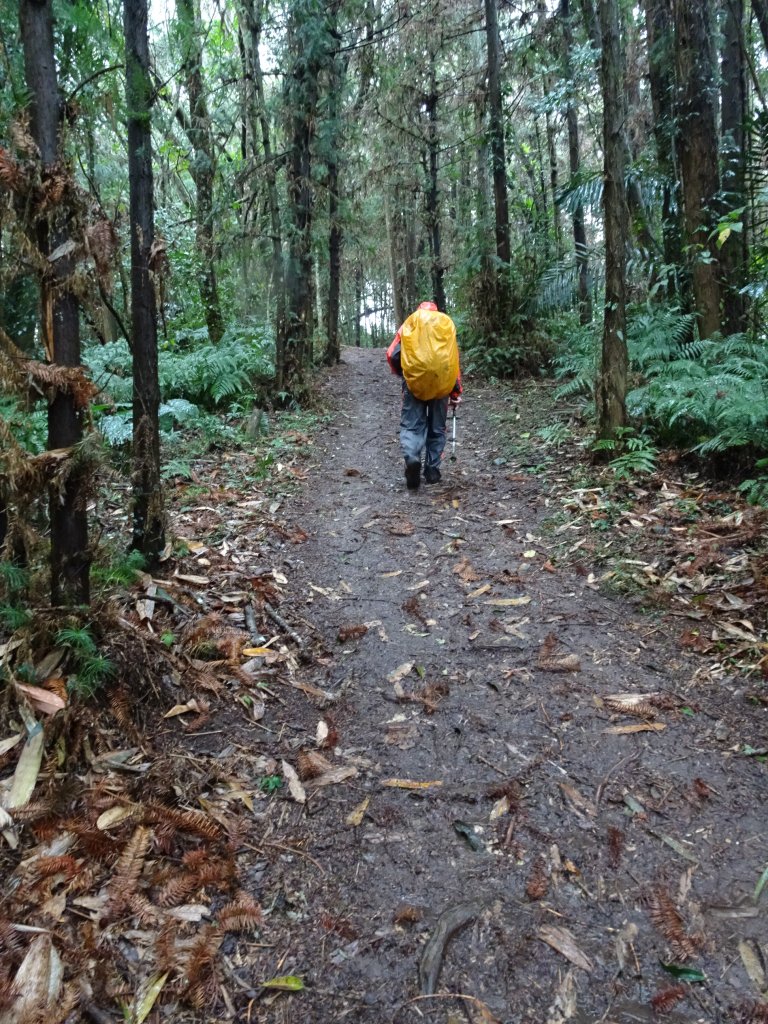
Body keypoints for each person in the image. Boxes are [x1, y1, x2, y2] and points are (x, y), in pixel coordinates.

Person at [386, 300, 462, 490]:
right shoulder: (446, 325)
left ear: (419, 310)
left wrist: (404, 373)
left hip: (414, 383)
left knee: (412, 425)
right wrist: (455, 390)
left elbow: (392, 354)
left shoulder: (411, 322)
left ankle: (412, 457)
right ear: (436, 310)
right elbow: (452, 361)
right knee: (437, 428)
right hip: (441, 384)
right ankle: (432, 471)